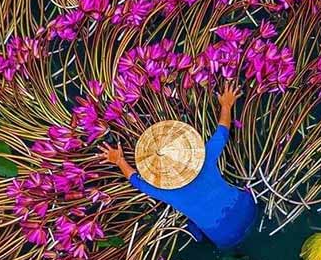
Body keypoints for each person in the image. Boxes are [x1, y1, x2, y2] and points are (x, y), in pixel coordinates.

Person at [99, 83, 257, 250]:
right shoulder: (206, 157)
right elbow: (222, 132)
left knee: (195, 226)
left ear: (156, 170)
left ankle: (198, 234)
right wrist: (226, 105)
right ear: (185, 150)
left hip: (222, 236)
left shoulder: (164, 191)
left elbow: (135, 181)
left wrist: (119, 160)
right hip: (248, 209)